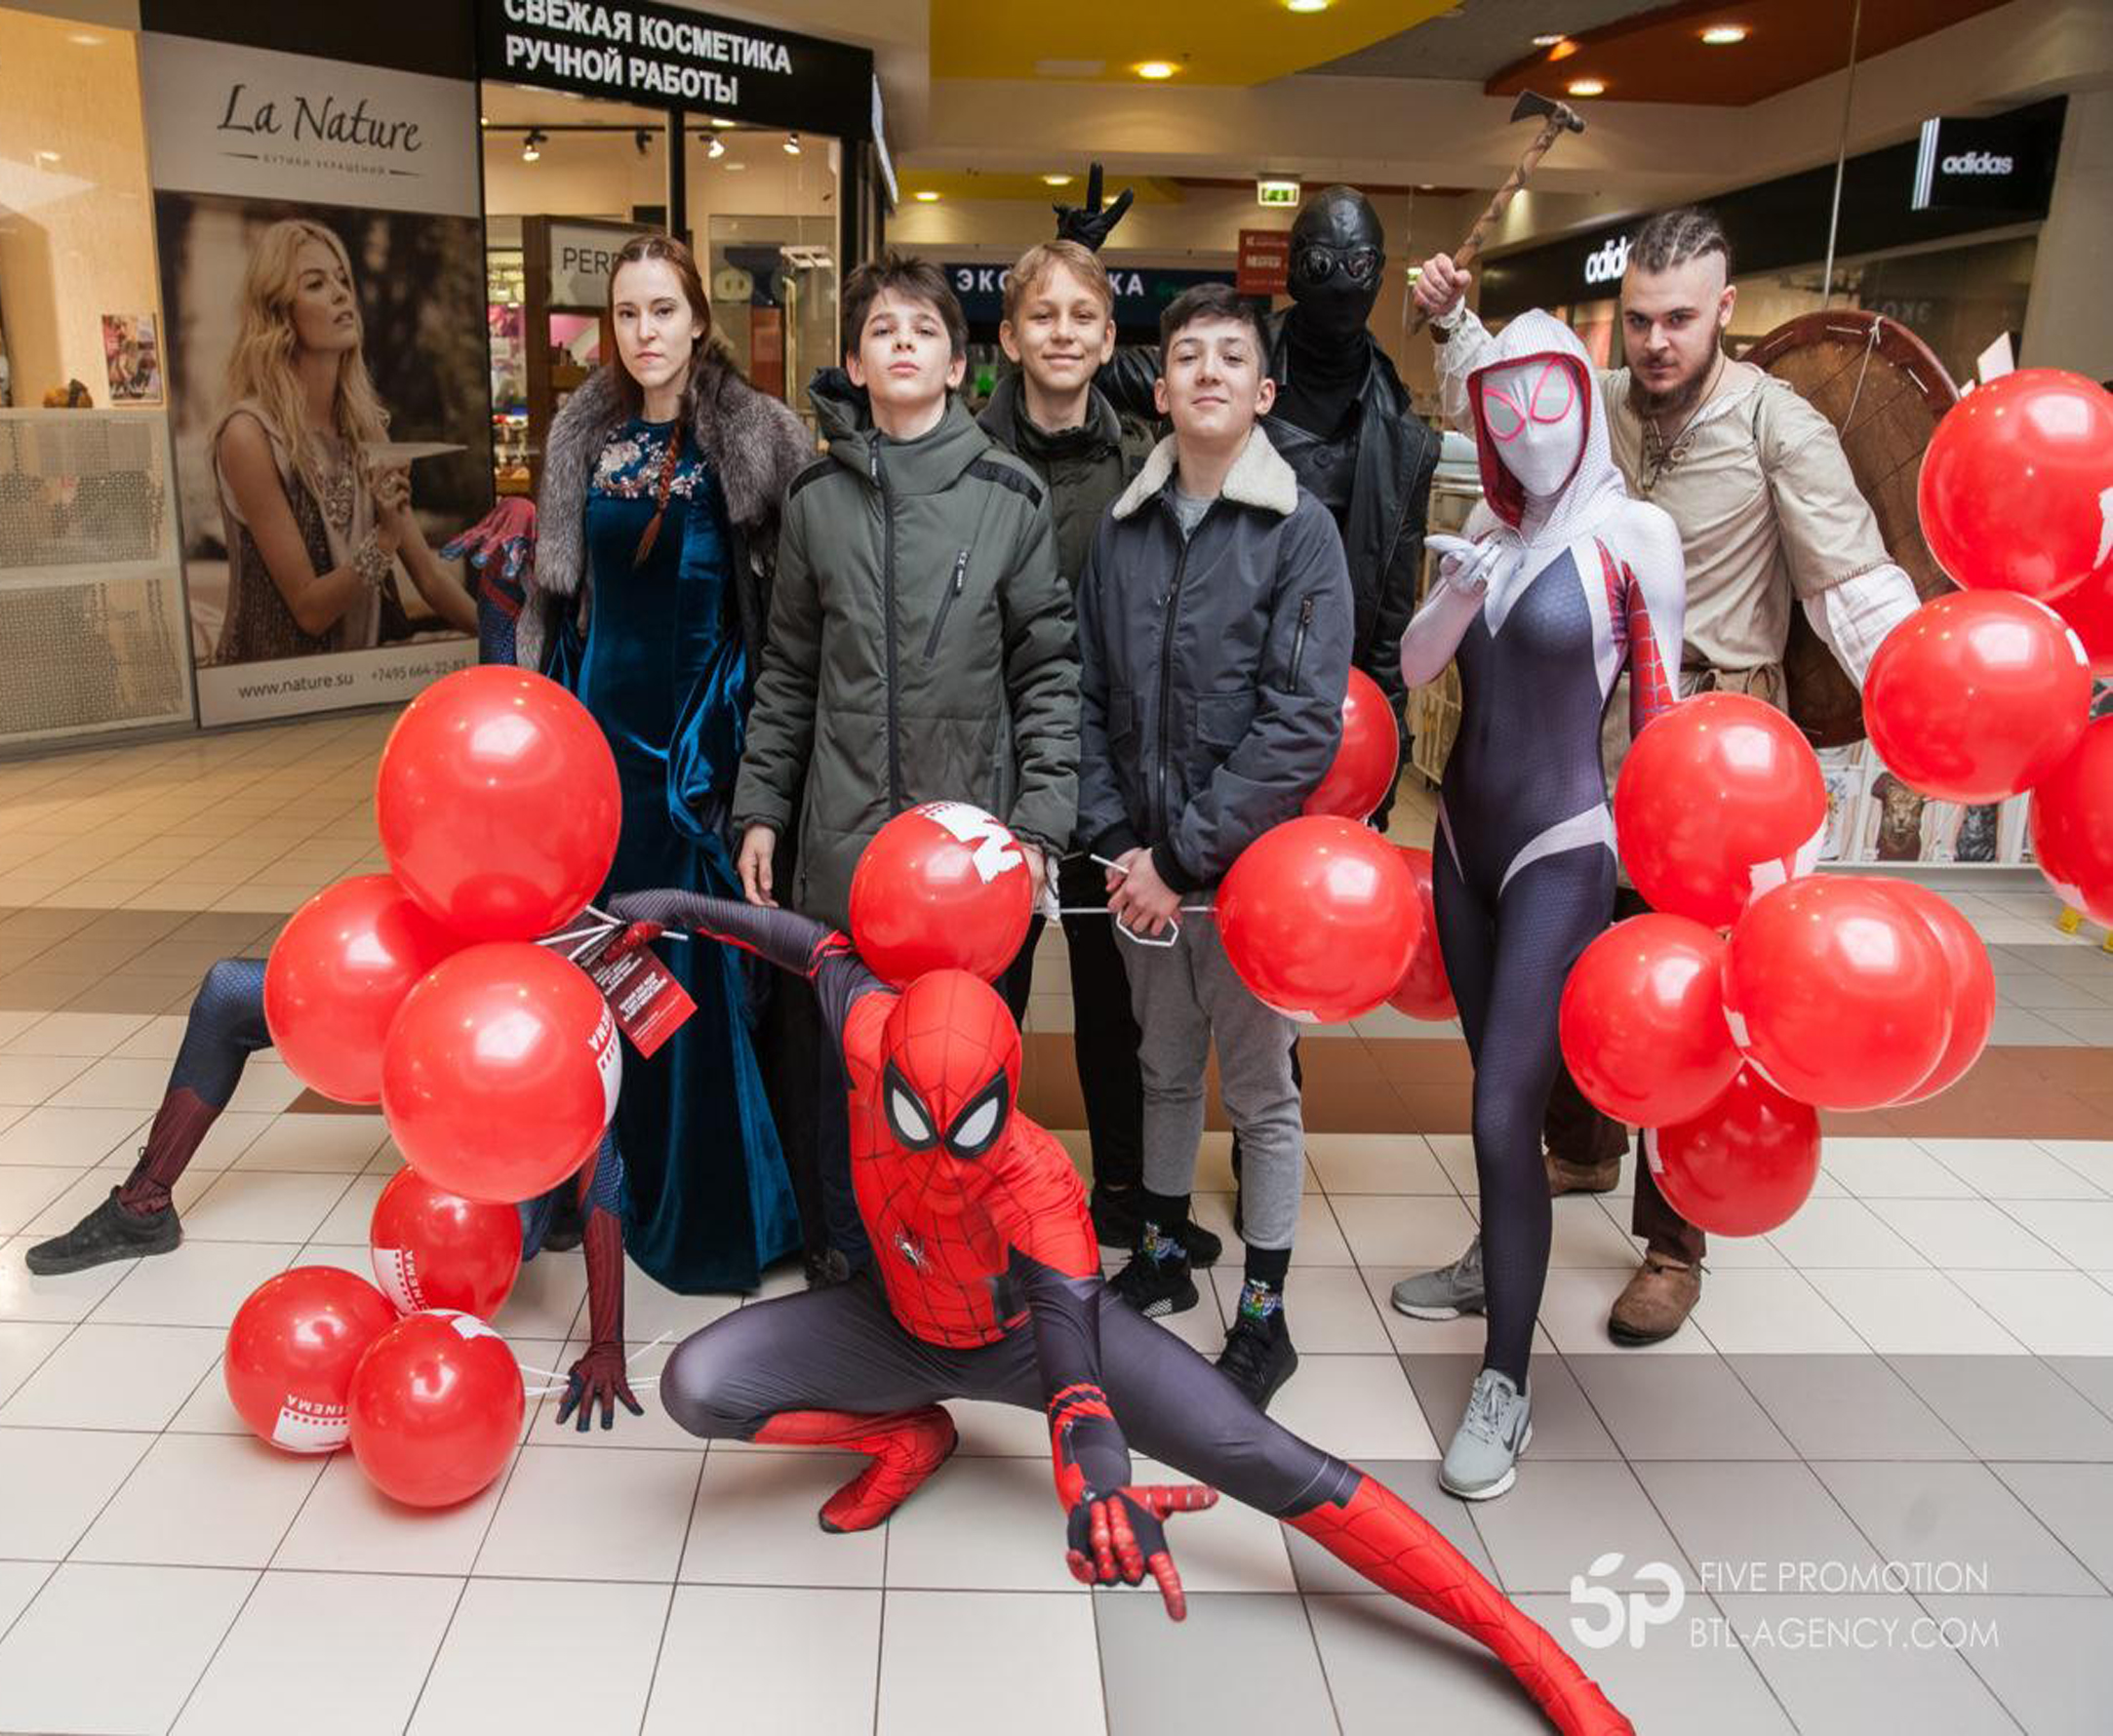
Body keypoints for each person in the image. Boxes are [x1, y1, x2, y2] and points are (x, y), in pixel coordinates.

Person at [608, 888, 1634, 1736]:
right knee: (697, 1387)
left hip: (1024, 1342)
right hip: (894, 1322)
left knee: (1269, 1457)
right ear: (887, 1074)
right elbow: (803, 942)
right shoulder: (871, 1028)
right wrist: (673, 908)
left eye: (969, 1129)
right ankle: (907, 1437)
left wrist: (1097, 1484)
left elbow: (1074, 1373)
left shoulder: (1038, 1184)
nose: (943, 1160)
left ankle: (1533, 1651)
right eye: (919, 1123)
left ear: (1007, 1094)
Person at [1401, 206, 1923, 1345]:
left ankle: (1674, 1243)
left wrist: (1924, 697)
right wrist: (1452, 323)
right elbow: (1513, 404)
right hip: (1581, 751)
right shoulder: (1599, 403)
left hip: (1714, 764)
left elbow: (1850, 583)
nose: (1655, 342)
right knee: (1575, 979)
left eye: (1679, 319)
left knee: (1690, 996)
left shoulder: (1777, 424)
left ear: (1724, 309)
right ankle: (1576, 1152)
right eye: (1638, 319)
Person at [732, 252, 1078, 1272]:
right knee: (845, 1071)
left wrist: (1040, 828)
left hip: (967, 862)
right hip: (840, 849)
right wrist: (762, 808)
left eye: (924, 330)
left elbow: (1049, 674)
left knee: (958, 1072)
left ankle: (957, 1270)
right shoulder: (815, 500)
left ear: (960, 365)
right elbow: (788, 672)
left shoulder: (1008, 495)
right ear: (854, 362)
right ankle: (848, 1265)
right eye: (882, 330)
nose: (903, 345)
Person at [1396, 312, 1684, 1498]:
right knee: (1494, 1094)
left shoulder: (1636, 535)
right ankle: (1494, 1259)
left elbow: (1661, 719)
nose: (1525, 428)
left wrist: (1673, 883)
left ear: (1581, 394)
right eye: (1501, 408)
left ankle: (1505, 1380)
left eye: (1546, 400)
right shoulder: (1483, 526)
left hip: (1563, 846)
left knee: (1501, 1108)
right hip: (1461, 841)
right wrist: (1458, 595)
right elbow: (1417, 666)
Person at [1075, 284, 1352, 1410]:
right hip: (1137, 869)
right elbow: (1085, 694)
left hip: (1247, 881)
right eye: (1187, 355)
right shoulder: (1123, 529)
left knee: (1261, 1090)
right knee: (1160, 1065)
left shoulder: (1300, 531)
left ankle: (1266, 1316)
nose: (1206, 373)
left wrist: (1180, 859)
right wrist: (1114, 842)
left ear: (1263, 391)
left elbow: (1300, 724)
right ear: (1160, 387)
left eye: (1231, 358)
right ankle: (1161, 1255)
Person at [521, 233, 815, 1294]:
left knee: (685, 957)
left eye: (662, 310)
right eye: (627, 312)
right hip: (598, 738)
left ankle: (703, 1201)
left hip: (698, 740)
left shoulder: (758, 432)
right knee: (598, 953)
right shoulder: (582, 432)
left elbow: (794, 598)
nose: (644, 331)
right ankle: (600, 1175)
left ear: (697, 318)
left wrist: (750, 745)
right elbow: (557, 603)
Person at [21, 957, 639, 1429]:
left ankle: (552, 1201)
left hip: (518, 1031)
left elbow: (599, 1147)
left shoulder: (551, 995)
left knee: (502, 1225)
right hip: (440, 971)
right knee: (228, 989)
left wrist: (607, 1342)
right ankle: (142, 1207)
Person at [974, 240, 1218, 1269]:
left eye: (1083, 317)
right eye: (1044, 315)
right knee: (987, 997)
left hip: (1111, 775)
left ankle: (1123, 1190)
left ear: (1111, 339)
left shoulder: (1145, 467)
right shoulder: (967, 458)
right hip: (994, 773)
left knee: (1121, 999)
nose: (1063, 333)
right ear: (1008, 337)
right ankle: (971, 1192)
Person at [211, 217, 475, 662]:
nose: (340, 294)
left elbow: (430, 577)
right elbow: (310, 611)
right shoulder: (248, 435)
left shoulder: (365, 431)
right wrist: (384, 539)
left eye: (342, 280)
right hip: (268, 687)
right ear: (279, 313)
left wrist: (516, 648)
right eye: (315, 284)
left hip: (361, 680)